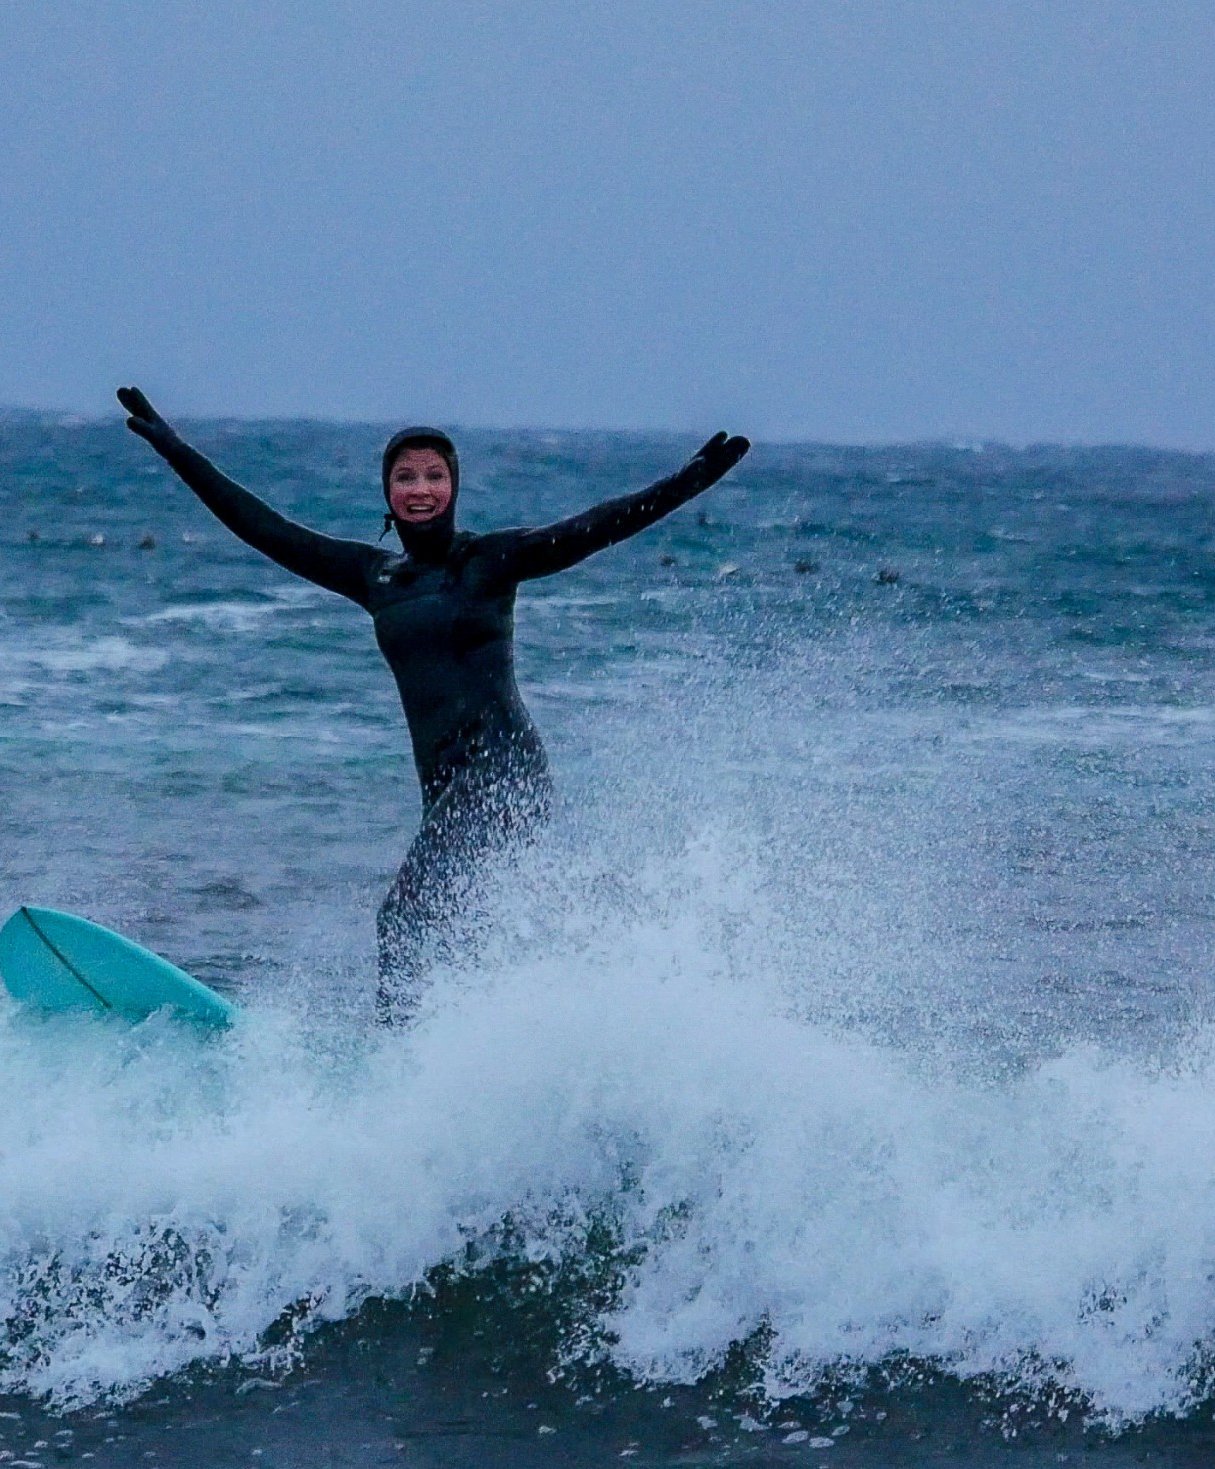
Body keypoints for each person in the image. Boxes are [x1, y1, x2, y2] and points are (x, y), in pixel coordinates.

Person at [116, 387, 750, 1020]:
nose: (421, 489)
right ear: (387, 492)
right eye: (405, 477)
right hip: (446, 784)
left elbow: (594, 528)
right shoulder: (375, 577)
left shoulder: (489, 561)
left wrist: (686, 483)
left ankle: (400, 1054)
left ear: (454, 486)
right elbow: (266, 529)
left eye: (434, 476)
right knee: (455, 930)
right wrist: (177, 450)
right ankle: (487, 1042)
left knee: (404, 916)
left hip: (505, 773)